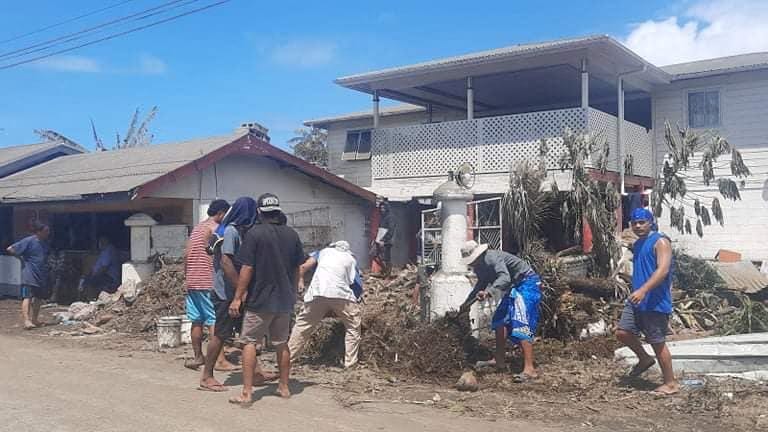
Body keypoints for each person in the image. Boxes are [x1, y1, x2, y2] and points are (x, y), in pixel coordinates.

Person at [229, 193, 305, 403]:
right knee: (281, 343)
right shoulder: (292, 234)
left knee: (249, 342)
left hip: (260, 300)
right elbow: (297, 267)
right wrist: (295, 288)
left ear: (259, 212)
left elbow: (247, 268)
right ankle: (283, 387)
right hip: (284, 300)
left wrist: (237, 297)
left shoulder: (254, 234)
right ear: (278, 211)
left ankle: (246, 392)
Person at [199, 197, 276, 391]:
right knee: (221, 334)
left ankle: (255, 373)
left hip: (238, 292)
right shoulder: (231, 231)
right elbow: (226, 263)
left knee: (248, 334)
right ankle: (206, 376)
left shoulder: (242, 232)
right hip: (226, 293)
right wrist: (239, 292)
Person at [615, 208, 678, 395]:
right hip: (637, 299)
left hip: (654, 301)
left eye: (642, 222)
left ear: (650, 222)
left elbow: (663, 270)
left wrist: (643, 290)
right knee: (622, 332)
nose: (638, 226)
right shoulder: (639, 243)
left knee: (657, 342)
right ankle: (644, 359)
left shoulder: (660, 241)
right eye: (635, 223)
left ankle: (670, 383)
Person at [460, 240, 542, 382]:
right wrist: (466, 304)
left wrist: (488, 292)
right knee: (499, 321)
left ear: (478, 255)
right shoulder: (480, 267)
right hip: (515, 287)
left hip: (527, 283)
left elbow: (505, 277)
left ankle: (530, 369)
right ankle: (499, 361)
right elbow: (480, 284)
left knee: (520, 322)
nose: (472, 264)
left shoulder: (492, 258)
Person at [288, 241, 363, 369]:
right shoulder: (351, 259)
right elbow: (357, 286)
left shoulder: (322, 252)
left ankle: (287, 359)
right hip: (341, 293)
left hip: (317, 292)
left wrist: (300, 281)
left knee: (302, 326)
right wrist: (350, 305)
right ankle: (350, 363)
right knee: (353, 326)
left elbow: (302, 268)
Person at [183, 199, 233, 371]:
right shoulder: (217, 230)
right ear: (221, 213)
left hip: (192, 281)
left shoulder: (197, 229)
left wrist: (187, 277)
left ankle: (198, 357)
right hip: (208, 281)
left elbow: (186, 254)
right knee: (214, 321)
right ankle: (219, 360)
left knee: (196, 320)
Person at [6, 222, 51, 329]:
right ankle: (27, 320)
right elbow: (10, 248)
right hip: (29, 274)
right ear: (39, 231)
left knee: (38, 298)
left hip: (41, 274)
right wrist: (21, 258)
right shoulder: (29, 241)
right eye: (46, 231)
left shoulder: (44, 243)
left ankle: (35, 319)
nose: (48, 233)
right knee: (28, 297)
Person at [82, 236, 121, 300]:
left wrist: (94, 276)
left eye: (100, 242)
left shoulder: (108, 250)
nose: (99, 244)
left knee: (88, 282)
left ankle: (91, 299)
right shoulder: (105, 250)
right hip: (104, 275)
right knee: (86, 279)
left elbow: (104, 267)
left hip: (109, 277)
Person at [372, 200, 396, 277]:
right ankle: (384, 270)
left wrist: (384, 240)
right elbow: (380, 229)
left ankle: (387, 273)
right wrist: (376, 239)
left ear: (387, 208)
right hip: (379, 239)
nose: (382, 210)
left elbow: (391, 230)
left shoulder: (390, 217)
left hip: (386, 241)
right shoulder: (382, 217)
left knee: (386, 257)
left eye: (383, 208)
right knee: (374, 254)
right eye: (381, 208)